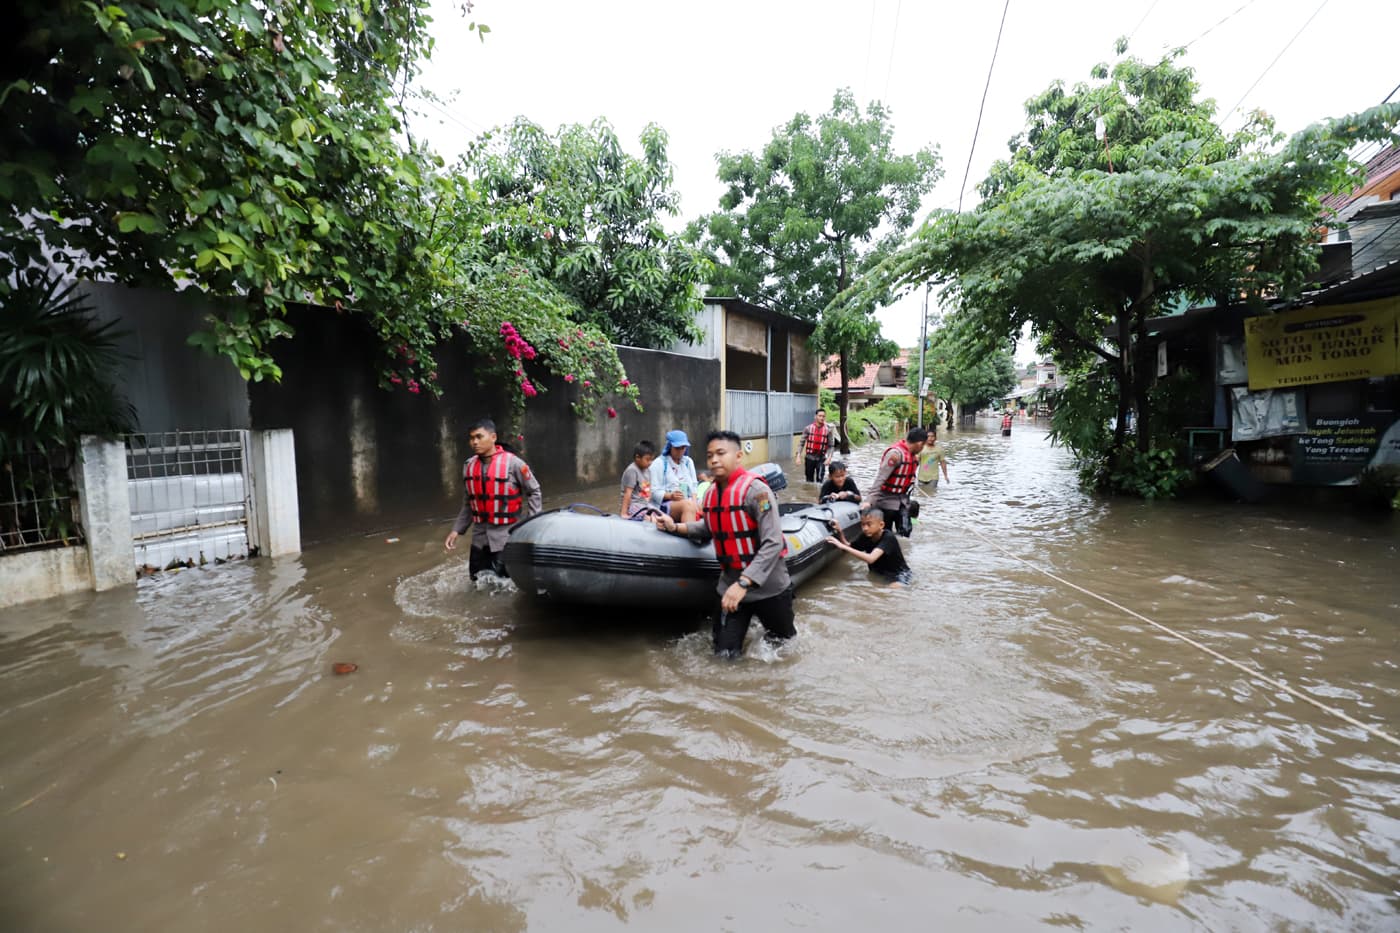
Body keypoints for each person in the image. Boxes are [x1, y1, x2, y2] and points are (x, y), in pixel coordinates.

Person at [655, 430, 794, 658]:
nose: (714, 460)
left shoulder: (758, 493)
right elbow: (709, 528)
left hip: (768, 588)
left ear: (738, 456)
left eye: (721, 453)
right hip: (730, 587)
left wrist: (743, 583)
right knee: (724, 656)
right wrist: (676, 527)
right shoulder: (710, 495)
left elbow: (773, 542)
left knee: (784, 648)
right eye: (710, 456)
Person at [445, 418, 542, 580]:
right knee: (476, 582)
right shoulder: (469, 466)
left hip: (506, 536)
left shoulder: (514, 464)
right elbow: (469, 502)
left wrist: (531, 525)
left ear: (493, 437)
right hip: (479, 538)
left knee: (507, 583)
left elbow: (534, 491)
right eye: (471, 438)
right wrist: (456, 530)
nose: (474, 442)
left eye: (479, 437)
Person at [826, 508, 913, 587]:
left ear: (881, 525)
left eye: (869, 524)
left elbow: (870, 558)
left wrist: (842, 546)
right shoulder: (865, 536)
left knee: (891, 591)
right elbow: (849, 547)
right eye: (863, 525)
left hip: (899, 575)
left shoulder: (888, 537)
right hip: (880, 574)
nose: (865, 528)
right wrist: (840, 531)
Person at [866, 426, 926, 538]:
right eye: (923, 445)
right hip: (886, 501)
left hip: (902, 501)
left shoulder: (914, 458)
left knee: (905, 532)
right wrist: (869, 501)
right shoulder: (895, 454)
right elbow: (880, 478)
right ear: (920, 444)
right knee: (885, 534)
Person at [650, 429, 700, 523]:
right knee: (688, 506)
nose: (681, 451)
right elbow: (653, 492)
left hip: (688, 499)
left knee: (708, 504)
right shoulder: (659, 463)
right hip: (665, 504)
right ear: (670, 447)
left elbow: (694, 485)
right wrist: (670, 496)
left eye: (683, 447)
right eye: (677, 448)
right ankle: (689, 536)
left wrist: (694, 501)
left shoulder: (688, 462)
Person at [620, 440, 662, 520]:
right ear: (638, 457)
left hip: (644, 504)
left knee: (664, 517)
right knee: (654, 520)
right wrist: (624, 513)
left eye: (652, 459)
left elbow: (646, 493)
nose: (650, 462)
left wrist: (650, 506)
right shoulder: (632, 471)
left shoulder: (647, 470)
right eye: (647, 459)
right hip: (633, 505)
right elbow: (627, 493)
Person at [796, 408, 835, 483]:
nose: (822, 418)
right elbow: (801, 443)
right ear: (815, 416)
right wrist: (798, 456)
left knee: (820, 480)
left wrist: (829, 458)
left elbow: (831, 446)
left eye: (823, 416)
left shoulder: (828, 430)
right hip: (809, 457)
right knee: (809, 480)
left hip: (821, 458)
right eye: (820, 416)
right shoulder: (808, 428)